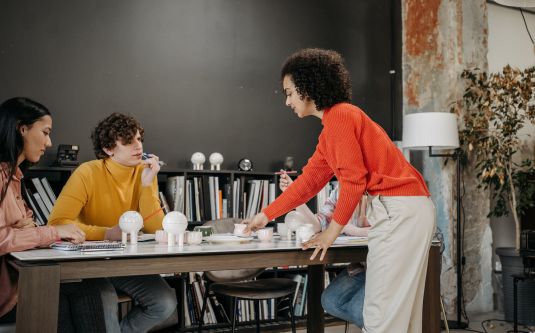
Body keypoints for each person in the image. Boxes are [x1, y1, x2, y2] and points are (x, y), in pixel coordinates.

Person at [244, 49, 435, 333]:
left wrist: (331, 233)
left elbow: (354, 182)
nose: (287, 101)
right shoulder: (334, 127)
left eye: (289, 93)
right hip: (407, 209)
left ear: (306, 88)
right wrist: (265, 215)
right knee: (399, 314)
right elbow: (309, 181)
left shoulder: (341, 117)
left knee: (382, 315)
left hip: (399, 210)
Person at [48, 112, 177, 333]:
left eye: (139, 139)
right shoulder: (87, 172)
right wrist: (106, 233)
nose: (138, 146)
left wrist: (147, 185)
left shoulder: (144, 172)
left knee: (165, 302)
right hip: (89, 261)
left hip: (124, 261)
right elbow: (58, 223)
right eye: (128, 141)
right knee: (105, 302)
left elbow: (156, 228)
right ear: (108, 149)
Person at [0, 97, 89, 326]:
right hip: (8, 297)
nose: (49, 143)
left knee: (91, 289)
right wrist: (53, 232)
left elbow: (23, 229)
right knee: (88, 294)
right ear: (22, 129)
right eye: (45, 132)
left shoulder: (14, 177)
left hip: (20, 283)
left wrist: (31, 233)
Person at [280, 173, 368, 327]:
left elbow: (388, 229)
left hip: (383, 265)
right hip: (361, 266)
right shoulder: (339, 192)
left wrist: (348, 228)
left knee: (358, 310)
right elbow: (317, 225)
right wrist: (294, 194)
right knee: (330, 301)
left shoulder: (377, 190)